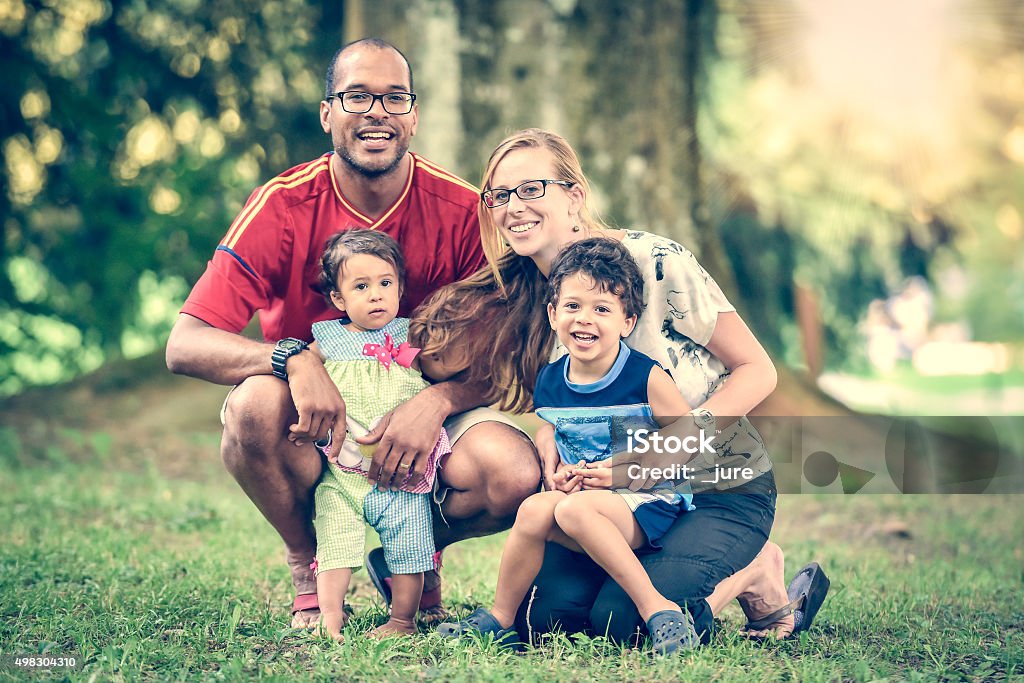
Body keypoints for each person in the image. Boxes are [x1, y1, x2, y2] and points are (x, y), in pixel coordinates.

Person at [165, 39, 540, 629]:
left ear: (413, 116)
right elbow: (185, 342)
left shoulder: (466, 211)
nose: (377, 113)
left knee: (512, 473)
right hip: (318, 414)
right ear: (327, 113)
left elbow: (500, 354)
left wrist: (437, 401)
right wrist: (295, 360)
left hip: (428, 415)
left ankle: (409, 549)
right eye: (357, 96)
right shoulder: (284, 205)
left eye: (394, 98)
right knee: (251, 410)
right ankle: (308, 561)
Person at [412, 128, 830, 647]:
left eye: (531, 189)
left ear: (575, 197)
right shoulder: (535, 301)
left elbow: (758, 371)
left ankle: (755, 570)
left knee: (624, 623)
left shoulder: (655, 263)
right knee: (546, 621)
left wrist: (665, 450)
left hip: (714, 485)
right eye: (499, 195)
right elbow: (558, 402)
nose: (513, 206)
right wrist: (549, 441)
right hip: (612, 499)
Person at [438, 238, 703, 656]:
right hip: (586, 499)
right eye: (573, 306)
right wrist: (556, 463)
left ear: (627, 321)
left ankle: (658, 609)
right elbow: (552, 428)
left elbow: (687, 437)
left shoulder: (644, 377)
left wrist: (623, 471)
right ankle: (501, 618)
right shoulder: (551, 380)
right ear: (553, 313)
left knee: (573, 509)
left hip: (646, 499)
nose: (585, 319)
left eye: (602, 309)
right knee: (534, 509)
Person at [309, 229, 447, 641]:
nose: (375, 295)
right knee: (334, 540)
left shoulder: (414, 334)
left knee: (410, 546)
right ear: (338, 298)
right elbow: (304, 374)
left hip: (401, 473)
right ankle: (330, 616)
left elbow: (447, 376)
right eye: (361, 286)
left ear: (401, 288)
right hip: (343, 471)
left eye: (385, 284)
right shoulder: (328, 340)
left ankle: (402, 620)